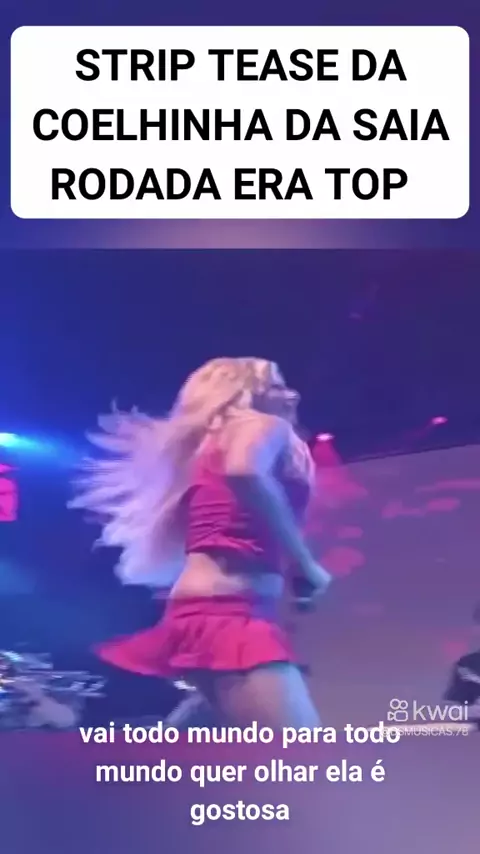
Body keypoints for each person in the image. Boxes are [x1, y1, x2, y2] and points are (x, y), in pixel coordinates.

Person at [70, 357, 332, 727]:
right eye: (275, 386)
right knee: (300, 751)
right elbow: (245, 472)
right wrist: (305, 563)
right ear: (245, 394)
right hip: (227, 614)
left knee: (235, 751)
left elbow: (233, 520)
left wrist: (289, 568)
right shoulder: (263, 425)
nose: (292, 394)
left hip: (216, 609)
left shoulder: (212, 445)